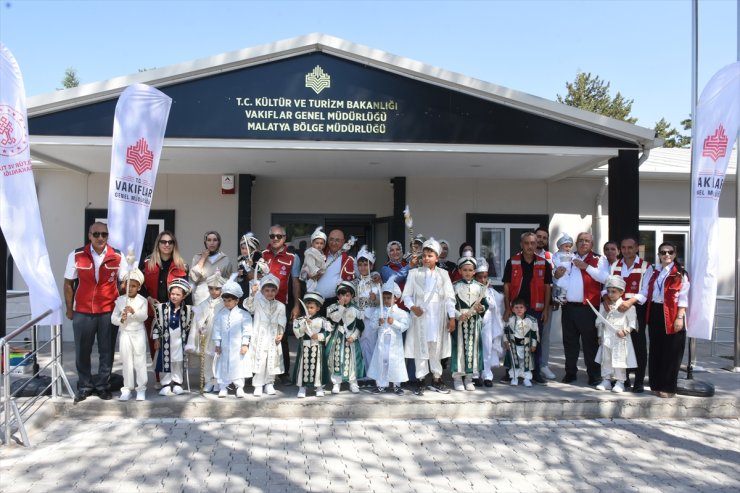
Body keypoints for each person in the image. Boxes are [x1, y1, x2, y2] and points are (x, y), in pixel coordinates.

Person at [63, 221, 124, 402]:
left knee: (107, 351)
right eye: (96, 234)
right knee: (83, 350)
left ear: (107, 236)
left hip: (108, 311)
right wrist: (69, 309)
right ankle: (84, 386)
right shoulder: (76, 255)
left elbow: (124, 283)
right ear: (89, 235)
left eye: (104, 234)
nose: (100, 238)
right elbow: (68, 283)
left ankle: (103, 385)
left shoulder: (118, 256)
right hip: (82, 311)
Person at [554, 232, 610, 386]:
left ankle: (593, 374)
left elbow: (605, 278)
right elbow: (557, 277)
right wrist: (556, 275)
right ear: (576, 243)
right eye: (580, 241)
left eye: (587, 241)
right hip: (569, 307)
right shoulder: (567, 256)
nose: (583, 243)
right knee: (570, 342)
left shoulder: (599, 259)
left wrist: (587, 267)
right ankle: (570, 373)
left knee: (590, 343)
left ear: (592, 244)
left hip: (588, 307)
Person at [403, 238, 456, 395]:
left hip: (438, 318)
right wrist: (413, 307)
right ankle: (420, 380)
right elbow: (406, 296)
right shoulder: (414, 273)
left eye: (430, 255)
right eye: (424, 255)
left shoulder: (444, 274)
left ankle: (436, 378)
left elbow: (449, 298)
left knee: (436, 347)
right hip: (420, 318)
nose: (426, 258)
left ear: (437, 258)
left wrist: (451, 317)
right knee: (421, 347)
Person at [502, 232, 552, 384]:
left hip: (536, 310)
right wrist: (507, 307)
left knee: (534, 341)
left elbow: (547, 287)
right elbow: (507, 285)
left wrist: (545, 309)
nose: (530, 246)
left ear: (537, 244)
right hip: (516, 308)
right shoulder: (512, 262)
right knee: (513, 340)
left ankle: (535, 372)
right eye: (527, 243)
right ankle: (511, 372)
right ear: (521, 244)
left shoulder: (544, 263)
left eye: (533, 243)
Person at [141, 230, 189, 387]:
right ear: (158, 244)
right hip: (153, 311)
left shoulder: (181, 265)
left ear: (174, 245)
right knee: (156, 345)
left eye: (170, 242)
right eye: (163, 242)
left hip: (174, 311)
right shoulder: (147, 262)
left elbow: (186, 290)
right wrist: (148, 298)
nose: (167, 245)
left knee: (175, 347)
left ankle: (175, 379)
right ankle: (159, 379)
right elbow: (140, 286)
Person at [642, 241, 689, 398]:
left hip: (673, 312)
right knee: (656, 349)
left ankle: (668, 388)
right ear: (659, 255)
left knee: (672, 350)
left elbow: (684, 297)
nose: (666, 255)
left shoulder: (680, 273)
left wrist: (680, 317)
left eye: (670, 252)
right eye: (663, 252)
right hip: (656, 310)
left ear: (674, 254)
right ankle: (655, 383)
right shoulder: (656, 272)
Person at [607, 236, 653, 393]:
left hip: (635, 309)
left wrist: (630, 302)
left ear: (636, 248)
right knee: (620, 345)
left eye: (630, 247)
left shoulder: (646, 266)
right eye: (624, 248)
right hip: (618, 309)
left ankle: (639, 381)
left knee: (638, 346)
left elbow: (646, 291)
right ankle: (623, 379)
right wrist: (606, 299)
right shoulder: (614, 265)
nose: (627, 251)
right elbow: (608, 285)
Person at [261, 224, 302, 383]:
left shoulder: (293, 257)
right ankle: (259, 371)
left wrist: (296, 305)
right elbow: (253, 277)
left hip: (281, 304)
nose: (275, 239)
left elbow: (295, 282)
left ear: (285, 238)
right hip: (261, 304)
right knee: (261, 336)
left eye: (279, 236)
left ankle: (283, 373)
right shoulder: (261, 254)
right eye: (272, 236)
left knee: (281, 338)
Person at [243, 274, 286, 397]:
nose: (270, 293)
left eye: (273, 291)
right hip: (260, 336)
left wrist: (281, 333)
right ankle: (258, 384)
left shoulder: (280, 306)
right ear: (262, 291)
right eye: (266, 290)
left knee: (271, 360)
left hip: (273, 336)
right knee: (260, 360)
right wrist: (252, 294)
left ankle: (269, 383)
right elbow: (248, 306)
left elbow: (282, 320)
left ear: (276, 291)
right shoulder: (257, 302)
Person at [451, 254, 488, 391]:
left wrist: (481, 308)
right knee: (459, 348)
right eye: (464, 270)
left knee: (473, 349)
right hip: (460, 321)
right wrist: (457, 315)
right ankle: (457, 378)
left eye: (470, 270)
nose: (467, 272)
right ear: (460, 271)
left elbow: (485, 305)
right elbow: (450, 304)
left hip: (474, 322)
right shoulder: (454, 286)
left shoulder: (479, 286)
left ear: (474, 272)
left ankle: (469, 378)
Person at [366, 279, 409, 395]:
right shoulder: (377, 312)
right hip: (382, 341)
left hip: (395, 342)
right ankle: (381, 385)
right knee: (381, 360)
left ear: (395, 298)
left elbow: (405, 326)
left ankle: (397, 385)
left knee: (395, 361)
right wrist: (378, 323)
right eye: (384, 298)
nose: (386, 300)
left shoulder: (400, 313)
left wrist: (394, 322)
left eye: (389, 298)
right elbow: (372, 326)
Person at [111, 268, 149, 401]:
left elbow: (144, 316)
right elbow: (113, 319)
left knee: (139, 360)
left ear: (139, 287)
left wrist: (133, 312)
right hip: (125, 333)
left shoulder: (142, 300)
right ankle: (127, 388)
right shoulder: (120, 300)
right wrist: (121, 318)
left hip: (138, 333)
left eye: (133, 286)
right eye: (128, 285)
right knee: (126, 360)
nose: (130, 288)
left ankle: (141, 388)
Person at [185, 271, 226, 393]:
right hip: (207, 337)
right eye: (211, 289)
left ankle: (218, 381)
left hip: (220, 338)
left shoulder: (225, 304)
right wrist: (200, 327)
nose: (214, 292)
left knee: (219, 359)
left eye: (217, 289)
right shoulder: (203, 304)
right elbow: (197, 321)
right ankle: (209, 381)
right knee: (207, 359)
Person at [595, 276, 637, 393]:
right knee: (606, 358)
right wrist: (599, 335)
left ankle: (620, 382)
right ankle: (606, 380)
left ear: (621, 292)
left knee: (619, 360)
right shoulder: (604, 306)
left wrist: (625, 331)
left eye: (613, 291)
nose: (610, 294)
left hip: (620, 338)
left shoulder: (628, 306)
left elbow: (632, 323)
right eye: (608, 291)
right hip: (606, 337)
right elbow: (600, 321)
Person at [152, 278, 194, 396]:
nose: (174, 296)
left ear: (184, 296)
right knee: (165, 361)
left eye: (177, 294)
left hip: (180, 341)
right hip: (166, 341)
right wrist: (156, 339)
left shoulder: (188, 310)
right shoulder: (161, 308)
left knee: (178, 362)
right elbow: (156, 325)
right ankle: (165, 384)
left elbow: (190, 328)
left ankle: (177, 383)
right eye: (172, 294)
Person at [213, 278, 252, 398]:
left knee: (238, 365)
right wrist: (218, 344)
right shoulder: (220, 314)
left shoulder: (243, 315)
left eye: (229, 301)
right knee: (223, 365)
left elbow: (247, 330)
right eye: (224, 301)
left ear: (237, 300)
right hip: (224, 346)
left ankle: (239, 387)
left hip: (237, 346)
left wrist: (245, 344)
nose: (226, 303)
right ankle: (223, 386)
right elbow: (217, 329)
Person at [325, 281, 365, 393]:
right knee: (337, 359)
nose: (344, 298)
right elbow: (335, 319)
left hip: (351, 340)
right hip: (337, 338)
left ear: (352, 296)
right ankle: (336, 383)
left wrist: (354, 336)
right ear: (338, 296)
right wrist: (341, 307)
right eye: (342, 295)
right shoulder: (332, 308)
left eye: (347, 295)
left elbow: (360, 326)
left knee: (352, 360)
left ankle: (353, 382)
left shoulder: (356, 309)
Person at [292, 292, 331, 398]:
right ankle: (302, 388)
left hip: (317, 348)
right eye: (307, 307)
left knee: (318, 367)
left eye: (312, 307)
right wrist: (304, 326)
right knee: (303, 367)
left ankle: (319, 387)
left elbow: (328, 333)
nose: (309, 310)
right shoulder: (300, 320)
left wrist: (319, 336)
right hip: (304, 347)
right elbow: (297, 333)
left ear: (317, 308)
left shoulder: (323, 321)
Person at [475, 258, 505, 387]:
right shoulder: (472, 289)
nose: (482, 280)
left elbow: (497, 303)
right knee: (475, 348)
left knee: (487, 348)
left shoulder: (491, 291)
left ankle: (487, 374)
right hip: (475, 322)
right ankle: (475, 374)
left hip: (487, 323)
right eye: (480, 277)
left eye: (485, 277)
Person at [316, 229, 356, 310]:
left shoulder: (350, 258)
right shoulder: (319, 254)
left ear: (343, 241)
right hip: (316, 302)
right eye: (331, 239)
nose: (334, 243)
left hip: (336, 303)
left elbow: (362, 274)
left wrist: (375, 275)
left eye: (337, 240)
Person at [356, 246, 382, 373]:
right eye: (360, 265)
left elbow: (384, 300)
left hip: (373, 318)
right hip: (359, 318)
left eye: (366, 264)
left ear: (371, 266)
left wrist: (375, 298)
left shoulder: (377, 281)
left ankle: (372, 374)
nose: (363, 268)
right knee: (361, 345)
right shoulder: (355, 282)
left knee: (372, 345)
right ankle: (362, 373)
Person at [190, 231, 232, 306]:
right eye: (209, 240)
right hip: (201, 297)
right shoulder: (197, 257)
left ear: (219, 242)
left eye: (215, 240)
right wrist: (203, 258)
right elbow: (193, 278)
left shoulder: (225, 259)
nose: (212, 243)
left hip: (219, 298)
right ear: (205, 242)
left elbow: (228, 280)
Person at [503, 298, 539, 387]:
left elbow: (534, 334)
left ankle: (527, 378)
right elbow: (506, 332)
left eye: (521, 307)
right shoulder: (510, 320)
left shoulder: (531, 320)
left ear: (525, 309)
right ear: (512, 309)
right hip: (514, 344)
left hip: (526, 345)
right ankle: (514, 377)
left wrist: (534, 345)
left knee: (526, 363)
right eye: (516, 307)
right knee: (515, 362)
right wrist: (506, 341)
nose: (519, 310)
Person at [236, 232, 262, 304]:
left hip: (257, 291)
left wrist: (253, 266)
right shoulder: (240, 261)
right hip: (245, 290)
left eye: (247, 248)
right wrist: (241, 274)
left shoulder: (260, 260)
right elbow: (241, 277)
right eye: (242, 248)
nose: (244, 251)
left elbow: (262, 273)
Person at [300, 227, 327, 292]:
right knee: (311, 291)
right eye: (317, 243)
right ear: (312, 243)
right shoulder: (310, 253)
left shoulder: (321, 253)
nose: (319, 245)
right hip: (311, 275)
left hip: (317, 276)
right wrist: (316, 271)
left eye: (321, 243)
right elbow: (310, 264)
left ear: (324, 245)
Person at [552, 233, 574, 304]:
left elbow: (575, 260)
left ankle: (563, 296)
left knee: (567, 285)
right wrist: (559, 266)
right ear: (560, 247)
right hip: (560, 270)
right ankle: (558, 296)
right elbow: (555, 260)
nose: (568, 248)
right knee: (560, 283)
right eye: (566, 246)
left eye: (570, 247)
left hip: (568, 272)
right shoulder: (557, 254)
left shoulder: (571, 254)